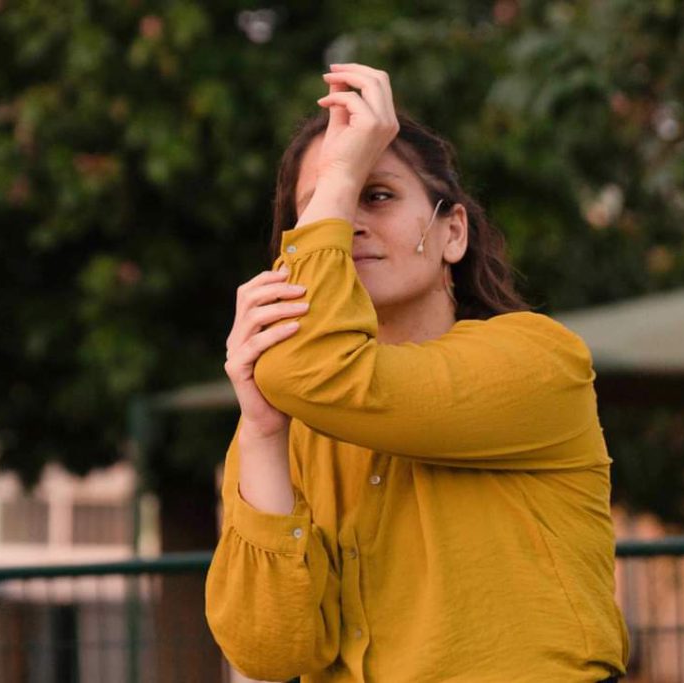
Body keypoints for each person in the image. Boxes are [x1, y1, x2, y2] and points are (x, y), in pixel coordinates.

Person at [207, 63, 629, 682]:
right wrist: (264, 432)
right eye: (324, 207)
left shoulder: (541, 360)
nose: (349, 223)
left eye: (376, 194)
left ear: (453, 232)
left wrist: (340, 173)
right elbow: (269, 653)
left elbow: (326, 375)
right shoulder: (292, 409)